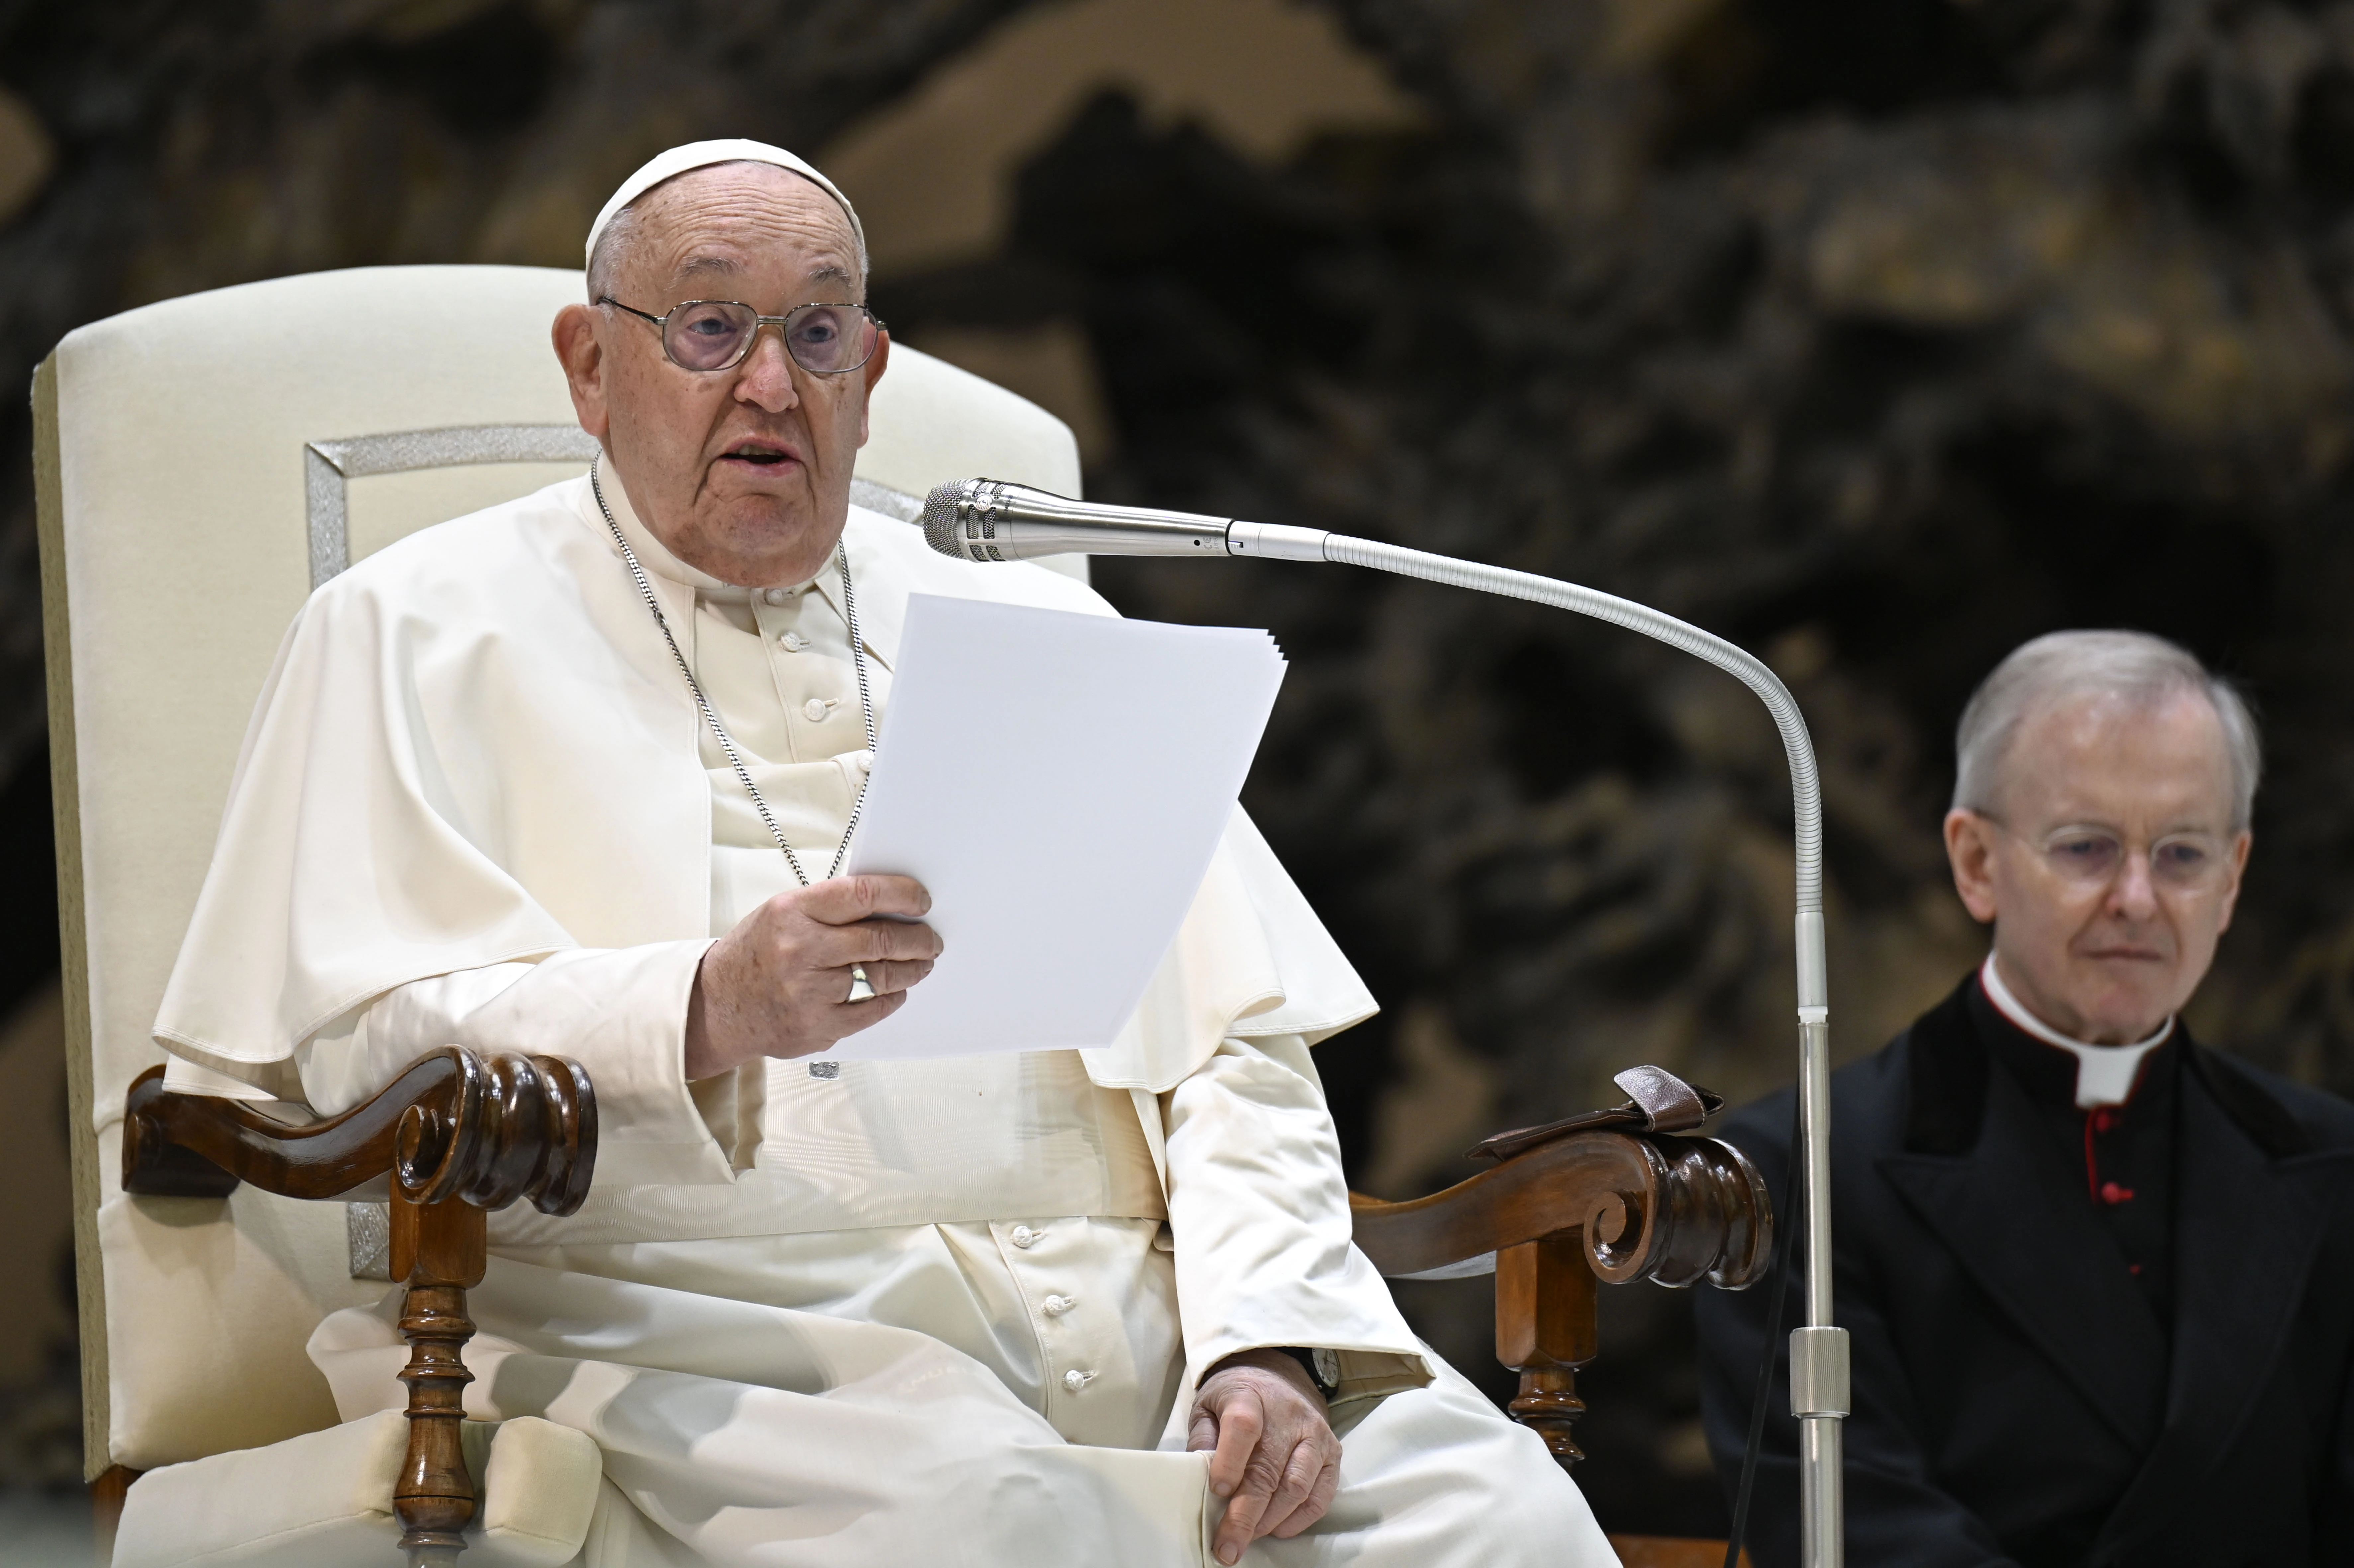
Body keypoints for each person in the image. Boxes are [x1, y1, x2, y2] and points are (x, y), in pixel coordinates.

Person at [149, 141, 1612, 1567]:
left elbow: (1233, 1048)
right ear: (591, 367)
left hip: (1148, 1329)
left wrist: (1265, 1340)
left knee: (1500, 1521)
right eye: (710, 325)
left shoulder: (1043, 629)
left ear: (874, 373)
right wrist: (707, 1006)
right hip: (711, 1329)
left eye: (820, 332)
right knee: (998, 1523)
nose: (772, 384)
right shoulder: (411, 630)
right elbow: (361, 1049)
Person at [1696, 631, 2354, 1566]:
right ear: (1974, 863)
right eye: (2086, 848)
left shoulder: (2333, 1166)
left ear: (2232, 877)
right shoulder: (1798, 1174)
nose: (2136, 898)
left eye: (2180, 855)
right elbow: (1850, 1529)